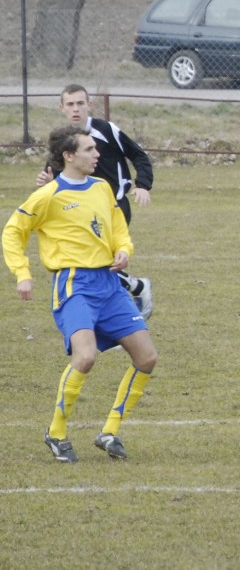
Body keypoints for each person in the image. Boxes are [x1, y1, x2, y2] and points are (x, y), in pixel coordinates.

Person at [3, 126, 158, 463]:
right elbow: (14, 232)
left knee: (146, 358)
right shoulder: (48, 196)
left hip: (109, 284)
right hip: (75, 285)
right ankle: (56, 432)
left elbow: (117, 227)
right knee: (85, 357)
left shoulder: (102, 187)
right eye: (88, 149)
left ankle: (110, 431)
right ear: (68, 156)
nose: (96, 154)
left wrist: (124, 250)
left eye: (95, 148)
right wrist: (23, 274)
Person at [36, 84, 154, 320]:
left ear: (89, 105)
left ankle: (130, 299)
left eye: (80, 103)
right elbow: (59, 176)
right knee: (92, 264)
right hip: (79, 211)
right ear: (62, 108)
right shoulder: (64, 140)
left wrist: (142, 184)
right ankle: (131, 296)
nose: (75, 109)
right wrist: (49, 181)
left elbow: (139, 155)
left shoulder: (105, 130)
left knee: (97, 264)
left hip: (115, 207)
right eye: (70, 104)